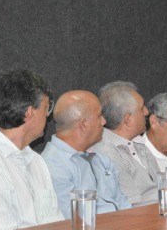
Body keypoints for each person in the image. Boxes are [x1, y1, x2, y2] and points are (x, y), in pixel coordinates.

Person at [0, 70, 64, 230]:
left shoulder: (36, 160)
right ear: (29, 113)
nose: (48, 115)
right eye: (46, 107)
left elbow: (57, 224)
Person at [42, 90, 132, 218]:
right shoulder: (52, 165)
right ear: (83, 124)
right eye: (99, 116)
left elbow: (124, 205)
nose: (104, 121)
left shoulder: (100, 158)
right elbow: (72, 221)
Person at [92, 81, 159, 206]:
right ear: (128, 119)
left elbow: (163, 188)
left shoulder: (139, 143)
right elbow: (132, 206)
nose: (146, 112)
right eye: (141, 108)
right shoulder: (106, 153)